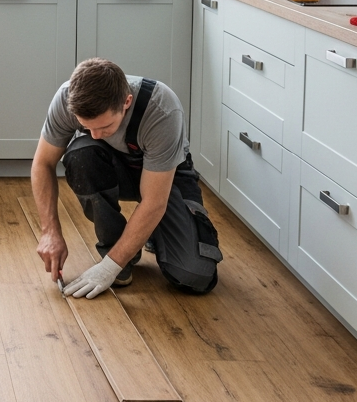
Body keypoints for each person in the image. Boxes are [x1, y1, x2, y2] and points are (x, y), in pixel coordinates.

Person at [31, 59, 222, 299]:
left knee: (195, 275)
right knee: (81, 154)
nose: (95, 135)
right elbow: (43, 163)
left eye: (105, 127)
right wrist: (50, 232)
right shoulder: (66, 99)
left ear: (126, 102)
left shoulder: (162, 109)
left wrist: (106, 270)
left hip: (166, 176)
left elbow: (153, 202)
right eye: (86, 127)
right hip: (113, 167)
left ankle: (150, 236)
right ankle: (119, 253)